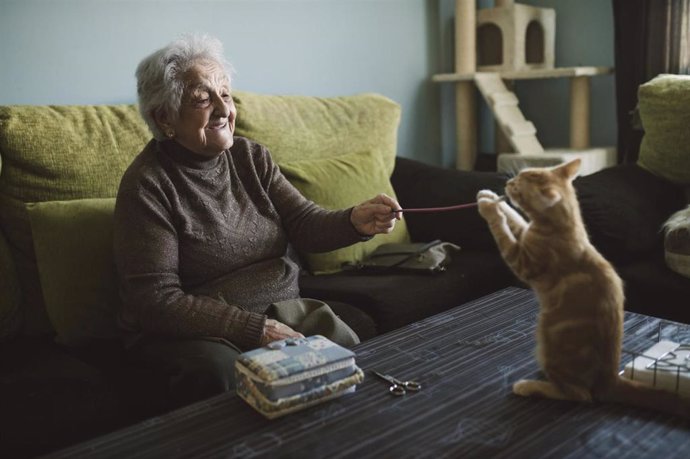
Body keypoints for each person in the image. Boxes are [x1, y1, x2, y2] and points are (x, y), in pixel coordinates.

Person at [113, 33, 400, 407]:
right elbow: (155, 301)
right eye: (202, 98)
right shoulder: (147, 186)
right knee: (230, 377)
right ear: (164, 118)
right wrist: (256, 330)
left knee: (345, 359)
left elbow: (303, 222)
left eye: (226, 95)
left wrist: (353, 222)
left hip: (280, 311)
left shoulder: (251, 158)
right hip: (195, 331)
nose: (222, 109)